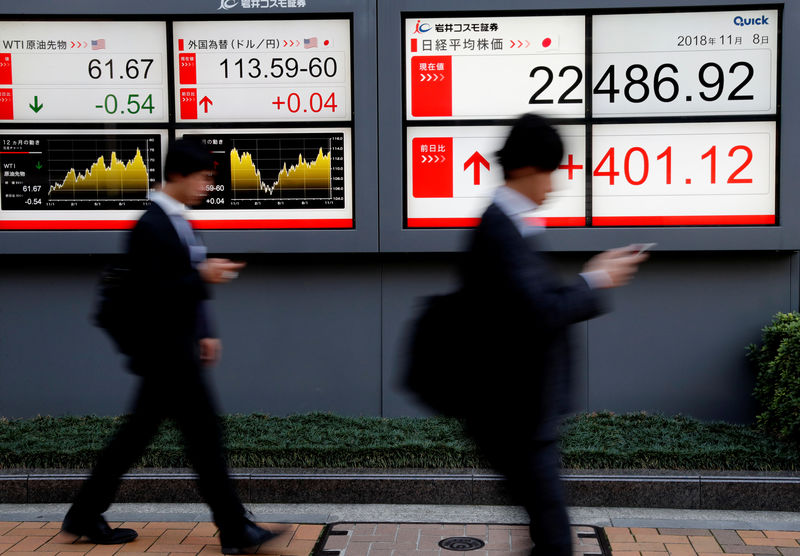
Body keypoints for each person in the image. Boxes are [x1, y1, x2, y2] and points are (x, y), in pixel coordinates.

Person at [61, 139, 282, 554]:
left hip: (176, 350)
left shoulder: (179, 221)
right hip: (164, 354)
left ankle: (84, 512)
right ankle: (234, 530)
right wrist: (203, 279)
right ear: (178, 175)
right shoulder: (151, 226)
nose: (206, 187)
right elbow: (154, 293)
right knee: (204, 441)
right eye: (202, 178)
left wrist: (204, 329)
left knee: (140, 437)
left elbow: (184, 285)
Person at [460, 114, 647, 556]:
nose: (556, 184)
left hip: (521, 411)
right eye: (551, 170)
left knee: (550, 532)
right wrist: (596, 280)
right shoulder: (500, 230)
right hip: (515, 415)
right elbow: (538, 312)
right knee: (555, 536)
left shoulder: (511, 224)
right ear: (526, 169)